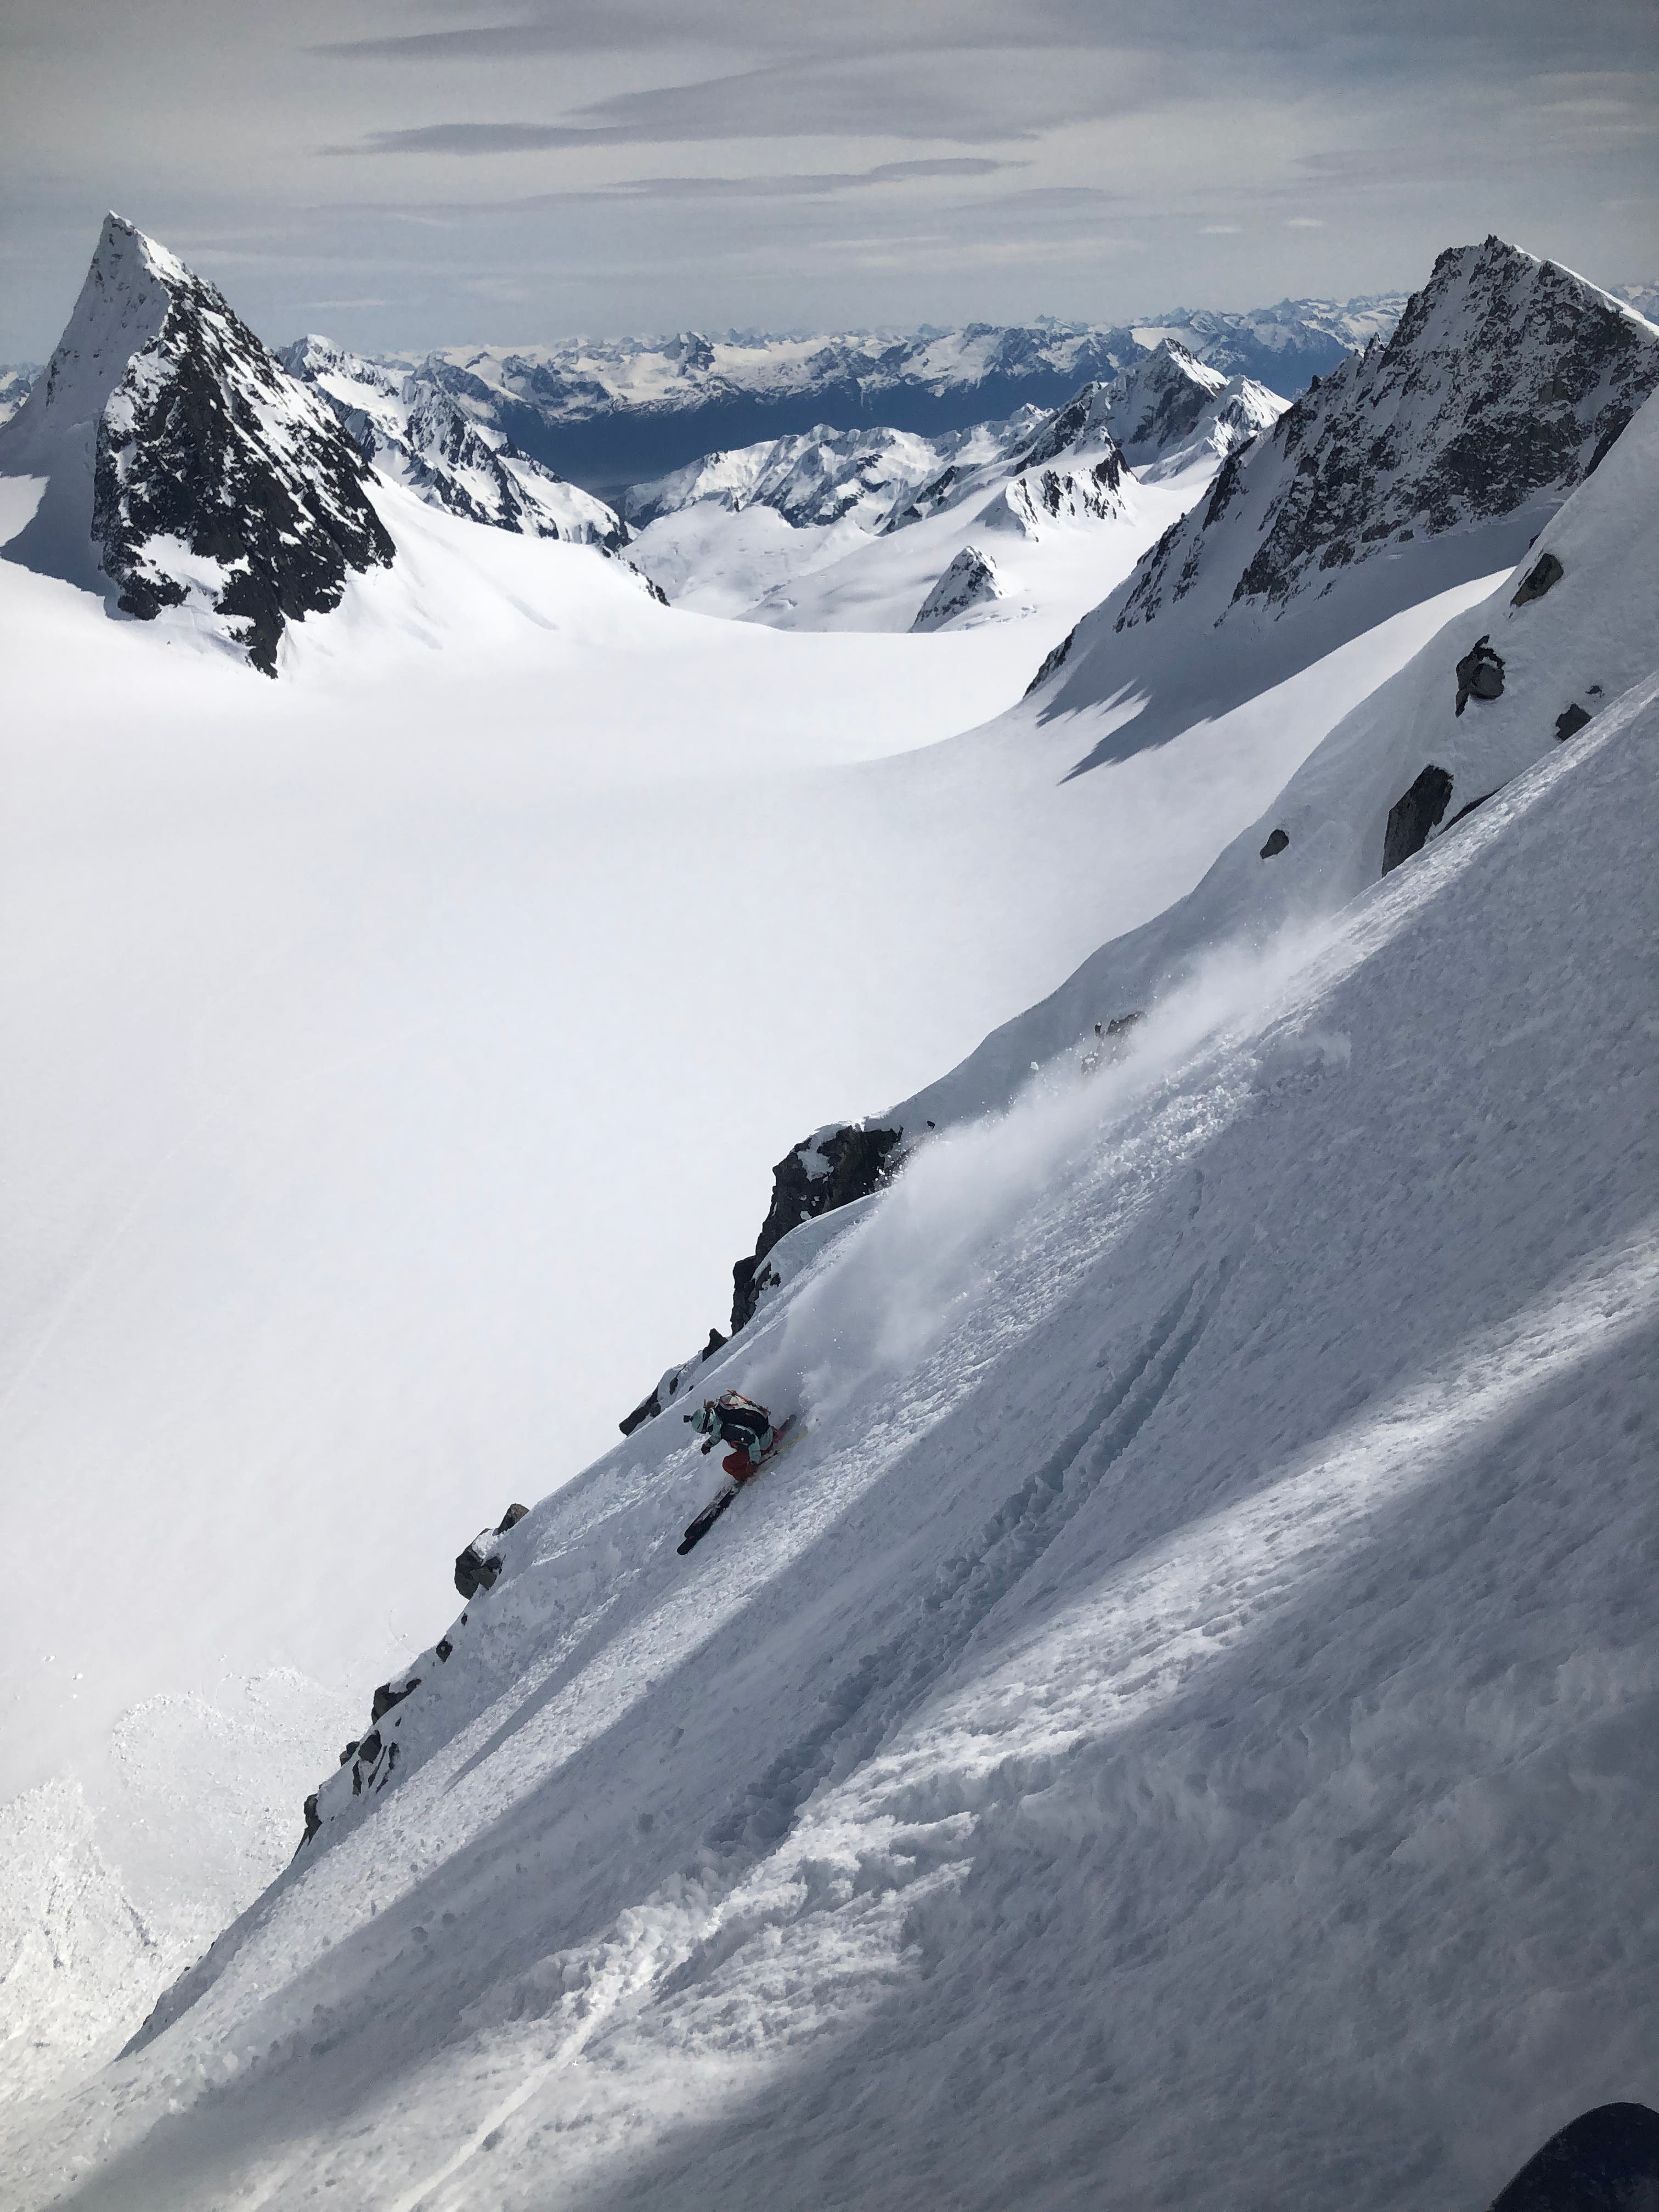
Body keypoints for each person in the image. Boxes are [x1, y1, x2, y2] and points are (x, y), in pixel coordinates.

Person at [685, 1390, 775, 1483]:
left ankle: (746, 1476)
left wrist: (753, 1462)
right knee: (737, 1443)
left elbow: (752, 1438)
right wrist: (708, 1445)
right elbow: (718, 1434)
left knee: (728, 1464)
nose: (708, 1432)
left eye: (706, 1430)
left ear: (709, 1424)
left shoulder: (728, 1430)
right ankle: (771, 1435)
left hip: (763, 1444)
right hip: (764, 1430)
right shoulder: (719, 1415)